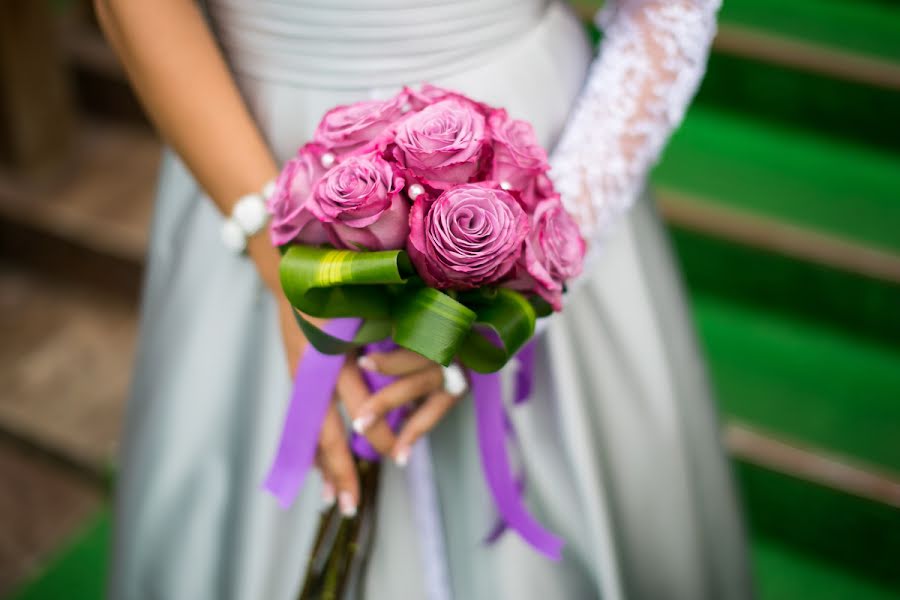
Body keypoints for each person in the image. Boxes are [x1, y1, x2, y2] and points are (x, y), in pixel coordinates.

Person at [97, 0, 751, 598]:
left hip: (533, 150)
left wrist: (522, 273)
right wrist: (283, 262)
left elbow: (668, 13)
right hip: (247, 146)